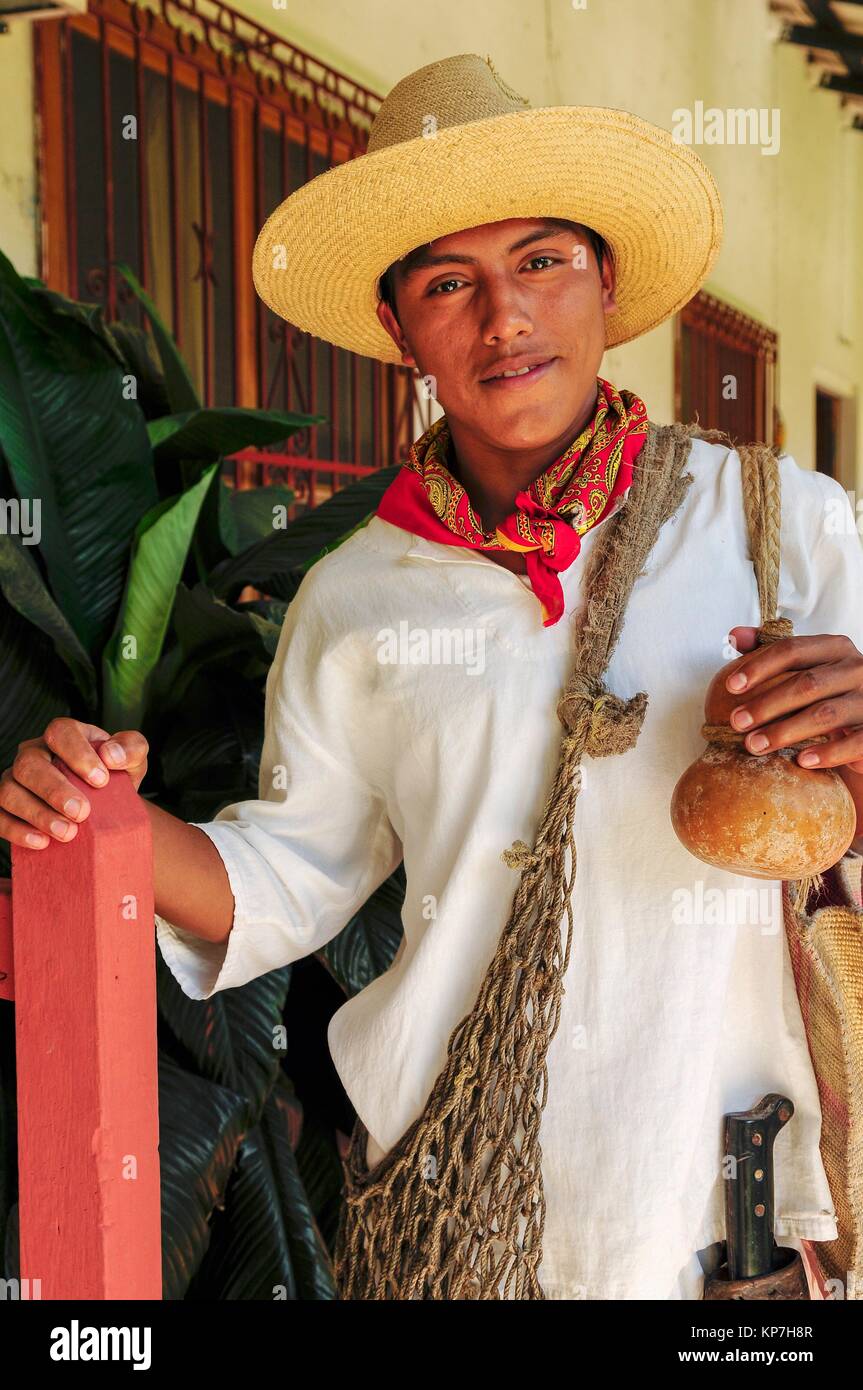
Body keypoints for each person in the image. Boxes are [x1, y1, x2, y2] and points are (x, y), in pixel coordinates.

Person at [3, 53, 863, 1300]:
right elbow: (289, 877)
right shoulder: (357, 600)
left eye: (541, 262)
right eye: (448, 283)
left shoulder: (781, 528)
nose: (503, 318)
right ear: (400, 325)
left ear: (605, 281)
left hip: (729, 1222)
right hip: (456, 1220)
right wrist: (103, 817)